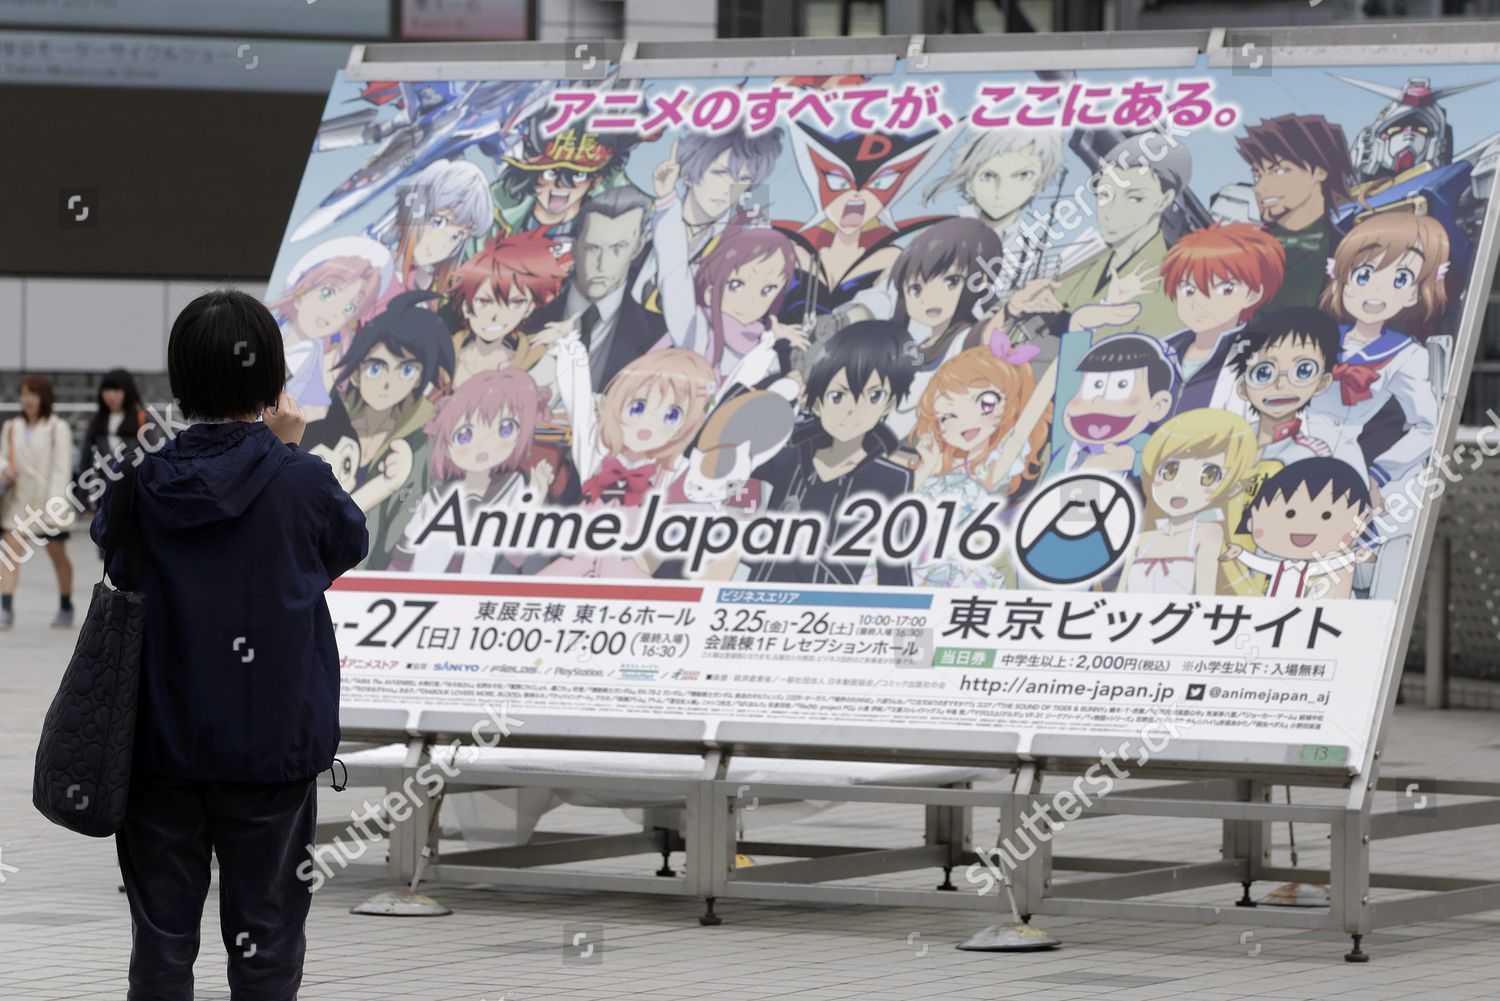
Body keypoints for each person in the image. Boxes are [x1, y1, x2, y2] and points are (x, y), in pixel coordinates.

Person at [91, 289, 366, 999]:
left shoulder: (139, 483)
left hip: (158, 750)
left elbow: (118, 563)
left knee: (160, 941)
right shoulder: (301, 480)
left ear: (180, 382)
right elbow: (341, 547)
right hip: (269, 751)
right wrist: (286, 450)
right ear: (272, 381)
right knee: (267, 940)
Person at [0, 374, 77, 629]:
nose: (27, 400)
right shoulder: (12, 427)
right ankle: (6, 607)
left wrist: (55, 508)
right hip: (18, 502)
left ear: (44, 397)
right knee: (9, 553)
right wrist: (5, 470)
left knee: (58, 555)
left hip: (47, 504)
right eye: (23, 394)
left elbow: (61, 471)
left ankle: (66, 604)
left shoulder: (57, 427)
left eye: (32, 394)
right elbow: (3, 457)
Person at [77, 368, 150, 512]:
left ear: (127, 392)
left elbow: (153, 459)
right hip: (104, 500)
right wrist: (82, 500)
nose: (111, 396)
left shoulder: (142, 419)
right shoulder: (96, 422)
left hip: (135, 499)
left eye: (116, 391)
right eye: (107, 390)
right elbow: (85, 463)